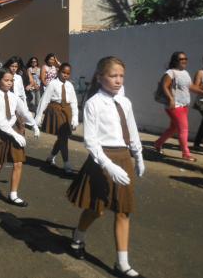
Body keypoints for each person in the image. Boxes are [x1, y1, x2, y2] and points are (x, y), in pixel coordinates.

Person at [66, 56, 145, 278]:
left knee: (123, 210)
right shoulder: (93, 104)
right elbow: (90, 141)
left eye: (121, 76)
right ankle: (78, 237)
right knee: (96, 209)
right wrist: (109, 166)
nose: (118, 80)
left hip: (123, 157)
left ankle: (122, 263)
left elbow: (132, 129)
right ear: (100, 78)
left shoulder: (125, 102)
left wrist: (138, 156)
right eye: (113, 76)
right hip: (103, 159)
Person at [0, 68, 40, 206]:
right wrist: (14, 134)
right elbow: (0, 122)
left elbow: (23, 112)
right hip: (1, 133)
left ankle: (13, 194)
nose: (9, 83)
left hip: (13, 131)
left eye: (11, 81)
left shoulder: (14, 97)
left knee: (18, 163)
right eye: (6, 80)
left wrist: (34, 125)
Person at [154, 51, 203, 161]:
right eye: (181, 59)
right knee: (183, 129)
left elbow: (190, 86)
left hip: (184, 105)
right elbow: (164, 86)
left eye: (185, 59)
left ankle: (158, 144)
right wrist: (171, 99)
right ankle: (186, 153)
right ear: (175, 61)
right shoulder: (170, 72)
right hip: (175, 105)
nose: (184, 61)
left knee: (173, 128)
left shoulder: (185, 73)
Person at [35, 63, 79, 173]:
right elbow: (44, 100)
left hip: (67, 112)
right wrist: (39, 116)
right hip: (56, 111)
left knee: (62, 137)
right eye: (63, 72)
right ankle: (67, 163)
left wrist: (75, 116)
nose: (65, 75)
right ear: (59, 72)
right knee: (63, 137)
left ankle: (51, 157)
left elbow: (74, 102)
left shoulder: (70, 85)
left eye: (68, 73)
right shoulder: (53, 84)